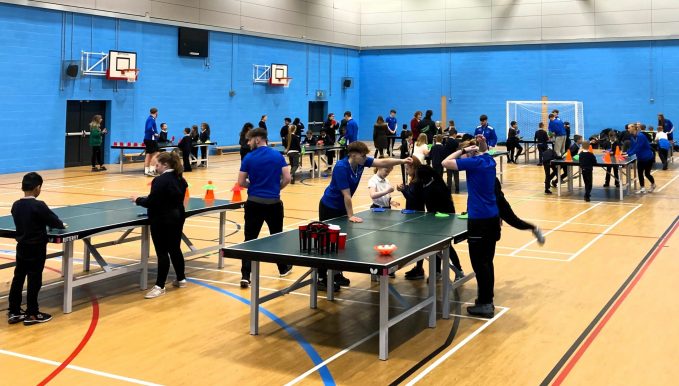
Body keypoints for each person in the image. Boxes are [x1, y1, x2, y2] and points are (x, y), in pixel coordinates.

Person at [317, 142, 412, 291]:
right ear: (353, 155)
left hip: (341, 207)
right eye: (363, 155)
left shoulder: (361, 162)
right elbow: (346, 195)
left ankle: (336, 274)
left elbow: (383, 161)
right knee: (328, 243)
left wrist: (402, 160)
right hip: (330, 207)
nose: (365, 158)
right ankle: (322, 278)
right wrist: (351, 215)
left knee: (341, 242)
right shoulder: (341, 167)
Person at [442, 136, 500, 318]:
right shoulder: (489, 160)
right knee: (487, 262)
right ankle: (486, 299)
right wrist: (480, 145)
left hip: (479, 220)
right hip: (492, 219)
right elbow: (485, 150)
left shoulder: (473, 163)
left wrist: (464, 151)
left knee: (480, 264)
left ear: (471, 153)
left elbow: (446, 162)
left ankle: (485, 304)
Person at [238, 128, 293, 288]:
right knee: (276, 238)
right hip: (273, 203)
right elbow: (287, 178)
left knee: (249, 239)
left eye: (249, 140)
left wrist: (253, 186)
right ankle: (283, 268)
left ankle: (245, 275)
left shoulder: (249, 157)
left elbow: (241, 182)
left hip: (254, 202)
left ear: (257, 139)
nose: (247, 143)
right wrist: (276, 188)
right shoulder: (277, 155)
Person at [8, 172, 66, 325]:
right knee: (34, 279)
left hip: (21, 247)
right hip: (37, 248)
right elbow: (54, 221)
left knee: (18, 277)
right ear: (37, 188)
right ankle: (32, 313)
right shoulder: (39, 205)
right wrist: (60, 225)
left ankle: (14, 311)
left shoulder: (16, 205)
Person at [132, 152, 189, 298]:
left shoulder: (160, 181)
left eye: (157, 164)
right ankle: (181, 279)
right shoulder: (180, 179)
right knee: (175, 248)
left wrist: (137, 200)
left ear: (165, 165)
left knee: (162, 253)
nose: (155, 167)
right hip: (178, 217)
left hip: (162, 220)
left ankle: (160, 286)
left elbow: (152, 202)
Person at [494, 177, 545, 244]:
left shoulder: (493, 179)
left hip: (501, 205)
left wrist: (498, 215)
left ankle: (534, 229)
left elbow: (499, 196)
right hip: (489, 209)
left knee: (516, 222)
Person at [626, 123, 656, 194]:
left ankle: (653, 184)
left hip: (648, 157)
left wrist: (629, 154)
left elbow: (638, 148)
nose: (628, 129)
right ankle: (642, 188)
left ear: (633, 128)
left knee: (647, 174)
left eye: (629, 128)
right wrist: (626, 152)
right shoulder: (632, 137)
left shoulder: (641, 136)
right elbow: (632, 147)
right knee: (639, 173)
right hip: (640, 158)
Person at [143, 107, 160, 177]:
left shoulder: (149, 118)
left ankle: (146, 171)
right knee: (156, 154)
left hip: (147, 139)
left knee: (148, 155)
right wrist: (155, 134)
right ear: (156, 113)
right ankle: (152, 170)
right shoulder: (151, 119)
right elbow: (149, 128)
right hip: (151, 140)